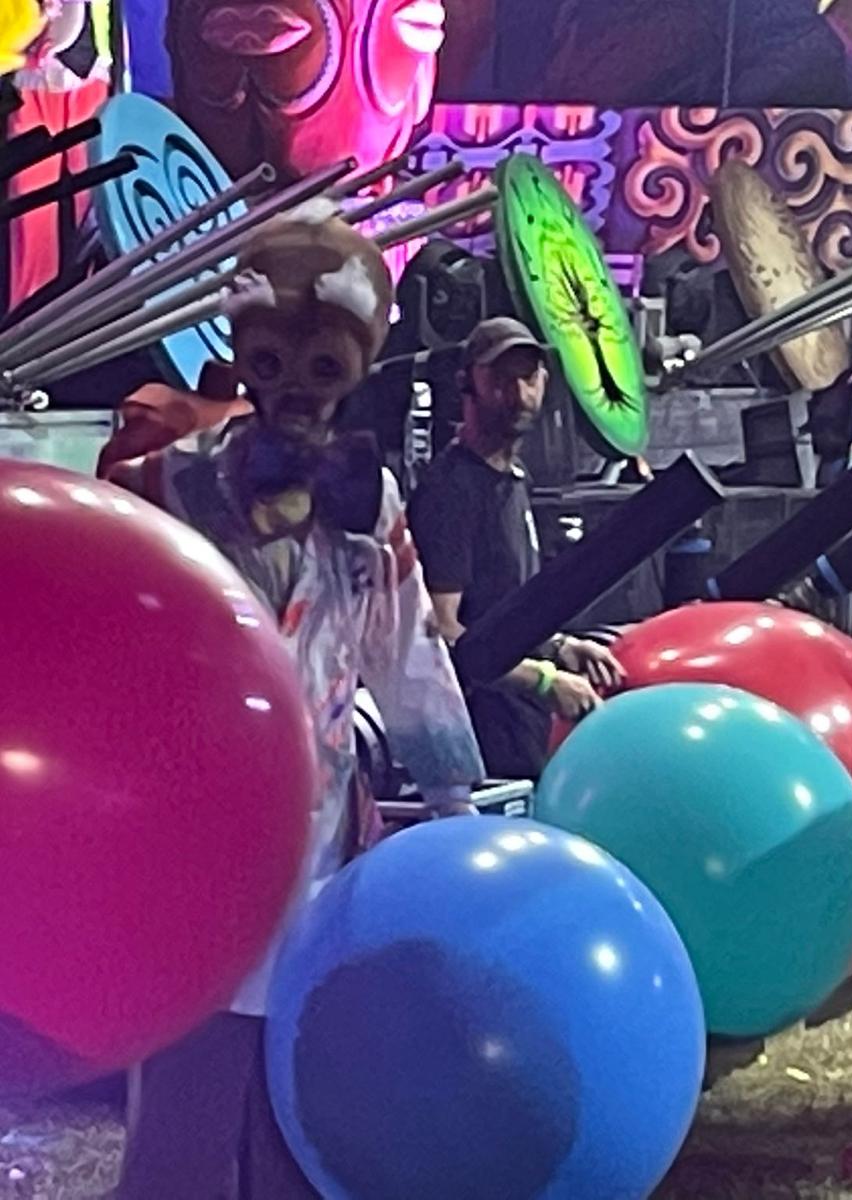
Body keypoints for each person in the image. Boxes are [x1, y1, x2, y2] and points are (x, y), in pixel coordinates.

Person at [103, 203, 486, 1196]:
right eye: (272, 362)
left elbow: (405, 647)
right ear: (241, 353)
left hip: (323, 843)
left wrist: (454, 804)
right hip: (198, 842)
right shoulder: (171, 486)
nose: (296, 389)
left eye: (322, 366)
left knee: (303, 1109)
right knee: (184, 1107)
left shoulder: (372, 503)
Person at [407, 316, 625, 781]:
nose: (520, 394)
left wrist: (560, 646)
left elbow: (500, 611)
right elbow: (441, 632)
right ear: (468, 384)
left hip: (522, 732)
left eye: (528, 378)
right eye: (501, 379)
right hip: (481, 744)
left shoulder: (513, 479)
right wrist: (542, 680)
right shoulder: (451, 491)